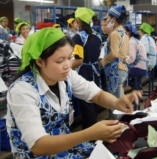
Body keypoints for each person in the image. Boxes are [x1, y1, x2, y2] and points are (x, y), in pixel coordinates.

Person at [6, 27, 141, 159]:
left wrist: (116, 102)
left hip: (65, 148)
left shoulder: (66, 76)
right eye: (60, 61)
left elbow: (96, 94)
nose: (67, 65)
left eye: (70, 58)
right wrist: (90, 133)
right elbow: (38, 145)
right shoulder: (22, 91)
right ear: (40, 61)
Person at [71, 7, 103, 129]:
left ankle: (90, 133)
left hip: (85, 72)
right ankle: (94, 127)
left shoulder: (78, 38)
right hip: (96, 71)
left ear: (78, 21)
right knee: (94, 99)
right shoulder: (97, 35)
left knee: (86, 103)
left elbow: (79, 60)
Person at [99, 5, 129, 98]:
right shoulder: (123, 32)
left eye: (108, 17)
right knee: (119, 99)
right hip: (122, 67)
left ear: (113, 19)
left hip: (115, 70)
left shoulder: (115, 33)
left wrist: (103, 62)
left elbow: (114, 53)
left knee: (115, 103)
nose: (106, 20)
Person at [124, 24, 147, 91]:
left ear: (129, 33)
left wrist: (123, 61)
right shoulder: (135, 40)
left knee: (120, 73)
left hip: (137, 68)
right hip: (142, 67)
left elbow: (131, 58)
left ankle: (123, 92)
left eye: (124, 32)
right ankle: (136, 94)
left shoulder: (131, 42)